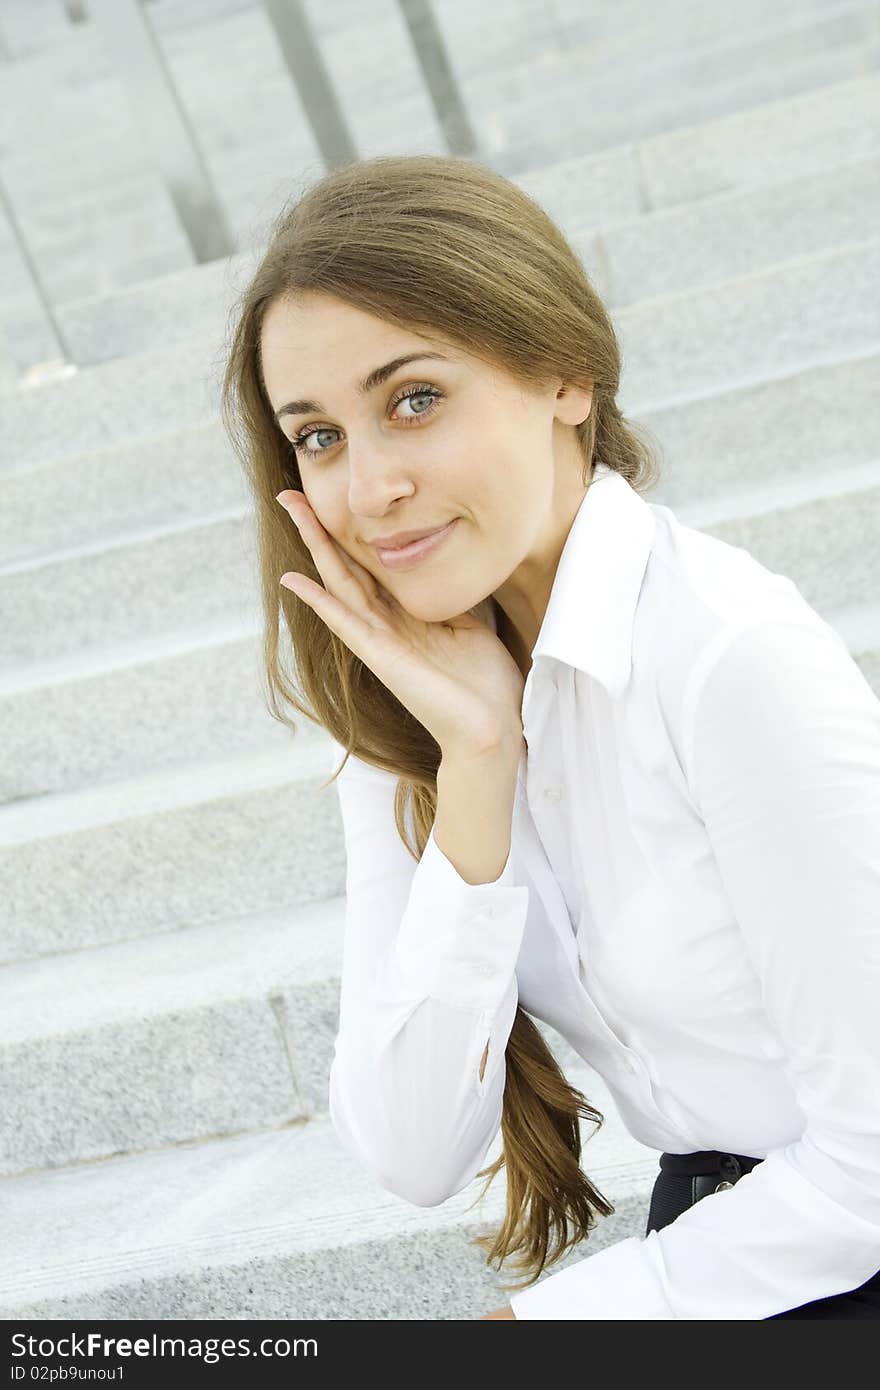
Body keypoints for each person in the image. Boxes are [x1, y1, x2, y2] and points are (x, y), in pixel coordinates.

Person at [220, 153, 880, 1319]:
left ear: (565, 374)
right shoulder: (409, 712)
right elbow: (414, 1150)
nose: (368, 486)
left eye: (413, 399)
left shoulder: (729, 659)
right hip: (728, 1233)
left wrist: (544, 1321)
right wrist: (475, 766)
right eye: (317, 437)